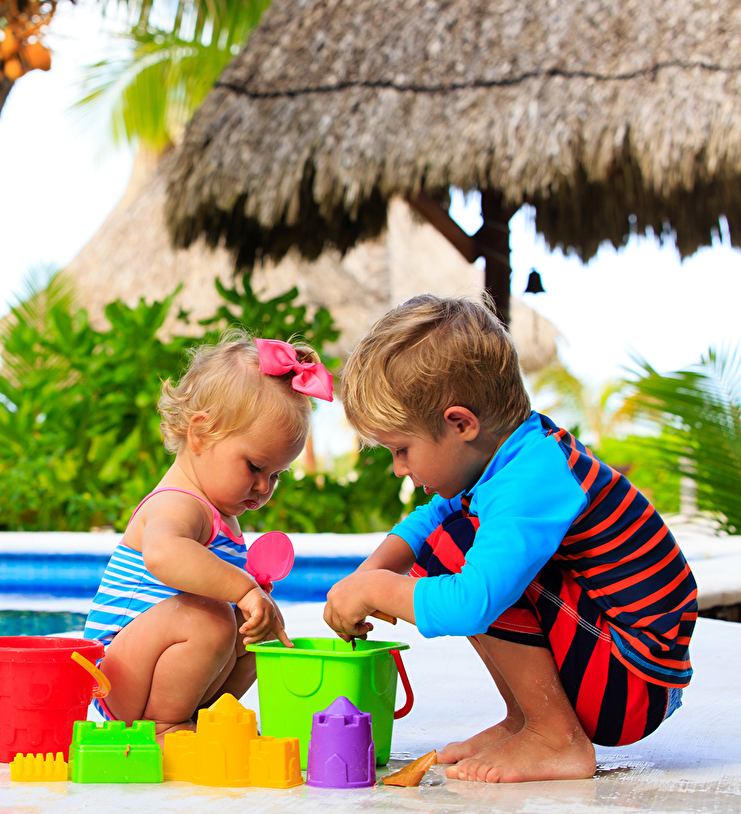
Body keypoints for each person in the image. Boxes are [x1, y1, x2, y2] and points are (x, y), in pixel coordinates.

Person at [323, 294, 696, 783]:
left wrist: (375, 590)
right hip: (618, 666)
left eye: (402, 449)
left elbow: (471, 603)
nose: (400, 469)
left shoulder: (532, 479)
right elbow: (430, 517)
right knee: (446, 536)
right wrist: (365, 575)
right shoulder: (513, 454)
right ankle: (527, 720)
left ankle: (555, 738)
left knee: (457, 551)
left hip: (632, 682)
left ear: (460, 424)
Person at [82, 331, 335, 736]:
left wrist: (252, 604)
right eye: (254, 466)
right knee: (216, 616)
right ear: (200, 433)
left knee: (258, 635)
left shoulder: (219, 511)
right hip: (118, 673)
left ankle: (204, 719)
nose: (263, 487)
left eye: (276, 475)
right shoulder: (177, 503)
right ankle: (166, 725)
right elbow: (164, 554)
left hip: (153, 666)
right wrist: (243, 588)